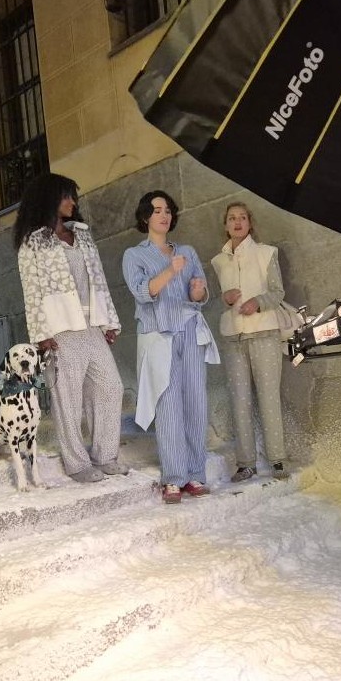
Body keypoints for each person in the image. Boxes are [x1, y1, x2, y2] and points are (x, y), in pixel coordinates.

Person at [15, 173, 128, 484]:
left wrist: (109, 321)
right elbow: (31, 292)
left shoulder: (83, 235)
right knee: (67, 398)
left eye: (72, 196)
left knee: (111, 386)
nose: (72, 202)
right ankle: (77, 464)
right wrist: (41, 335)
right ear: (49, 198)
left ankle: (105, 455)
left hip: (92, 327)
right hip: (60, 331)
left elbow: (99, 280)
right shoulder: (33, 242)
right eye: (66, 196)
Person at [122, 190, 220, 504]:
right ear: (145, 217)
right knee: (167, 405)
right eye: (157, 210)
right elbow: (142, 292)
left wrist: (198, 289)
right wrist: (170, 270)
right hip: (158, 335)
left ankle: (195, 473)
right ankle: (174, 477)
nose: (164, 215)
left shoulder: (187, 252)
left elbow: (199, 296)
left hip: (189, 330)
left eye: (168, 210)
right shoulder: (134, 255)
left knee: (195, 402)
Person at [210, 202, 288, 482]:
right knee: (239, 401)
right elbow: (218, 298)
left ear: (250, 223)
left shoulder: (267, 253)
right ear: (225, 225)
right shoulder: (218, 261)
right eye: (232, 218)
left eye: (242, 217)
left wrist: (258, 302)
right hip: (233, 337)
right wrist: (224, 298)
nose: (237, 222)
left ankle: (278, 460)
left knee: (269, 397)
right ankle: (246, 464)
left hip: (264, 332)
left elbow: (278, 292)